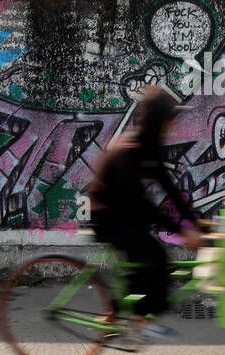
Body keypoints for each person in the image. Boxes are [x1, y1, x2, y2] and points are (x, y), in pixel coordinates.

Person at [87, 86, 203, 340]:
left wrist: (198, 223)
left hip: (122, 210)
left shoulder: (148, 147)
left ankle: (121, 313)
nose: (172, 125)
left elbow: (170, 190)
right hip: (104, 216)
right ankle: (140, 318)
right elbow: (141, 205)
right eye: (169, 120)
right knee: (154, 255)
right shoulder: (131, 150)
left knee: (145, 262)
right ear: (157, 120)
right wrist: (183, 231)